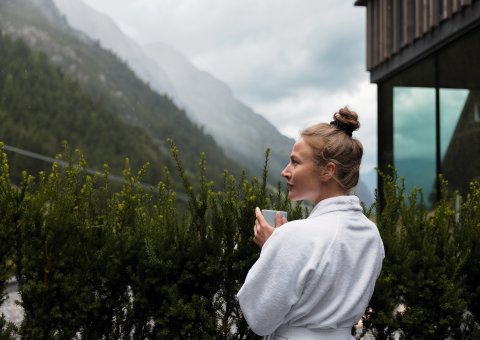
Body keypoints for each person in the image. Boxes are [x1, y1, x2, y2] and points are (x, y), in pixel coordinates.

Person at [236, 107, 385, 340]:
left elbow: (259, 318)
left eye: (295, 162)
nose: (285, 171)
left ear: (327, 170)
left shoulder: (294, 235)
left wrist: (272, 248)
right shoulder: (371, 234)